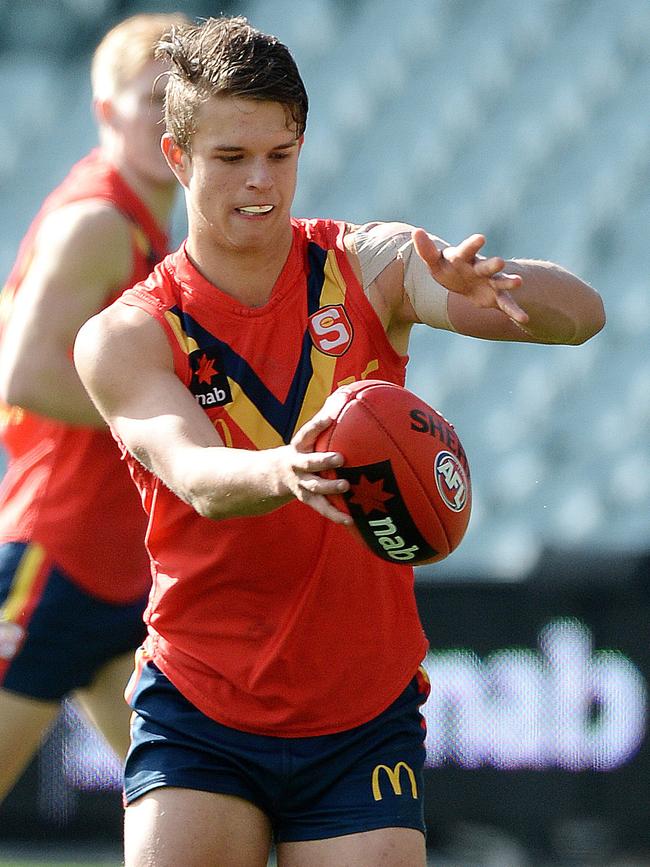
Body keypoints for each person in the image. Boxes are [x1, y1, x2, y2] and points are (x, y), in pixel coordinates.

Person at [74, 16, 606, 867]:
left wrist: (501, 284)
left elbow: (584, 317)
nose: (260, 182)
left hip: (361, 715)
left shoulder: (366, 266)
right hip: (201, 705)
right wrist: (286, 470)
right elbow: (194, 473)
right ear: (177, 158)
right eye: (230, 157)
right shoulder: (127, 335)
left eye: (280, 155)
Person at [0, 12, 188, 805]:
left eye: (179, 97)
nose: (165, 113)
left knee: (192, 818)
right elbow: (24, 374)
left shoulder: (150, 220)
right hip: (62, 553)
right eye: (148, 97)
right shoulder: (101, 222)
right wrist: (164, 427)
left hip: (120, 569)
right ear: (105, 113)